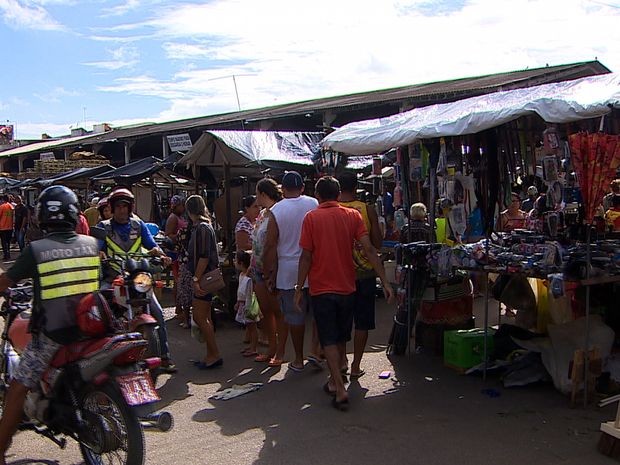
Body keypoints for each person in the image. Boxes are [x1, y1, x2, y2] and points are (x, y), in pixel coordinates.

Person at [0, 186, 101, 465]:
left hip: (53, 335)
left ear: (42, 215)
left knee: (16, 389)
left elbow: (6, 282)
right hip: (90, 329)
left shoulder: (36, 249)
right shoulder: (91, 244)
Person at [295, 176, 394, 411]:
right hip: (347, 286)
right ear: (338, 194)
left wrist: (299, 288)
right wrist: (385, 281)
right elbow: (369, 249)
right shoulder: (353, 216)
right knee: (340, 336)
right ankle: (336, 379)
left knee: (329, 338)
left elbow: (306, 256)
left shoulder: (311, 218)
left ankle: (339, 387)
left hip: (321, 287)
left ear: (318, 196)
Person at [97, 187, 176, 373]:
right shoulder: (104, 227)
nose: (122, 210)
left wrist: (161, 254)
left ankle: (164, 357)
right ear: (112, 208)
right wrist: (99, 253)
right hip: (113, 278)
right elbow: (98, 247)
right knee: (100, 310)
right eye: (118, 207)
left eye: (126, 206)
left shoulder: (138, 225)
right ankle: (101, 357)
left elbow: (152, 245)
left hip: (138, 278)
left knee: (157, 313)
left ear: (131, 207)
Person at [263, 171, 318, 371]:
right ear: (302, 187)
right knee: (317, 312)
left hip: (287, 270)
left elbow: (270, 244)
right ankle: (315, 351)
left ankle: (298, 358)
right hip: (313, 266)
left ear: (283, 189)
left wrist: (269, 273)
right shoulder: (313, 203)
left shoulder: (276, 210)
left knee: (295, 316)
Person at [337, 171, 384, 378]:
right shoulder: (367, 209)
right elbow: (377, 243)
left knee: (341, 321)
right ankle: (356, 365)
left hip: (339, 274)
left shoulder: (331, 210)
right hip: (364, 274)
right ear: (357, 187)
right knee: (362, 322)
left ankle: (341, 361)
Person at [186, 195, 223, 368]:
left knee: (200, 317)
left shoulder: (201, 228)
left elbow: (204, 257)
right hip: (204, 276)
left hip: (203, 277)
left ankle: (214, 354)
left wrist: (196, 279)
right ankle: (211, 354)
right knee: (205, 316)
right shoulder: (203, 226)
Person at [251, 178, 283, 364]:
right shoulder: (263, 214)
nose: (256, 199)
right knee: (265, 310)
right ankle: (271, 347)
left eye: (257, 194)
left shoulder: (275, 213)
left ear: (264, 194)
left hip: (271, 268)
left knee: (277, 310)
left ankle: (279, 351)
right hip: (257, 267)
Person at [164, 195, 188, 325]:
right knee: (178, 282)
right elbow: (168, 235)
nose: (183, 207)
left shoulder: (180, 217)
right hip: (175, 253)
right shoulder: (173, 218)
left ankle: (180, 308)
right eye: (181, 205)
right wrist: (181, 236)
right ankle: (178, 309)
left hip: (180, 252)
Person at [234, 249, 260, 357]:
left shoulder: (248, 277)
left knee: (252, 327)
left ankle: (254, 348)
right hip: (243, 304)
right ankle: (251, 346)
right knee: (249, 326)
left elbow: (245, 292)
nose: (234, 262)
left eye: (236, 260)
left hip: (249, 304)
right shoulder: (241, 275)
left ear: (241, 263)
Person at [0, 195, 14, 260]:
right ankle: (8, 253)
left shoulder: (2, 206)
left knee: (4, 242)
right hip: (10, 227)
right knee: (8, 242)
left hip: (2, 227)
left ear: (3, 199)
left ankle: (6, 255)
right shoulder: (11, 206)